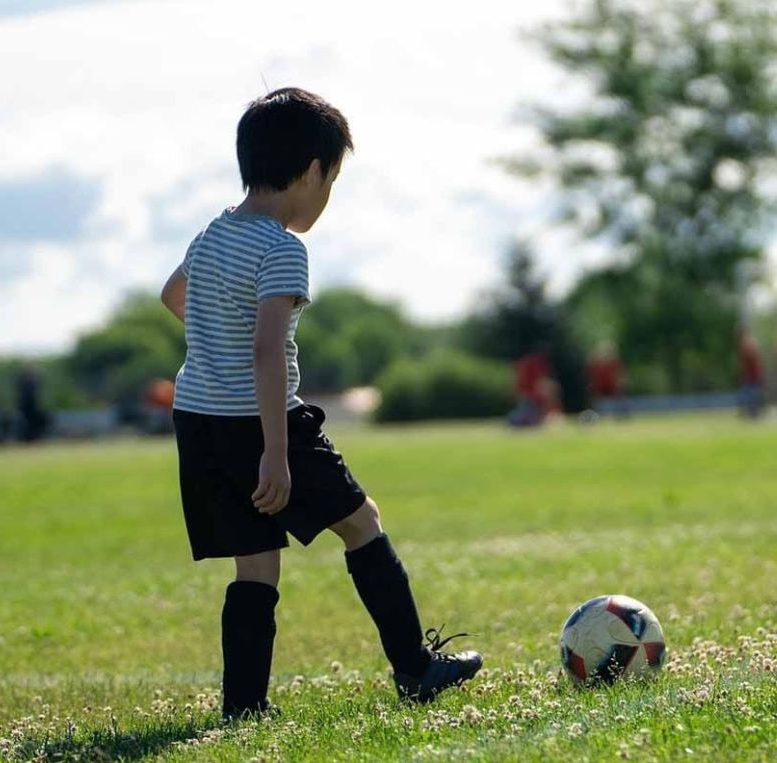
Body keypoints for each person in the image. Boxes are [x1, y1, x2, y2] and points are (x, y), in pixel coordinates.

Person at [159, 88, 481, 719]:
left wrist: (215, 345)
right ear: (311, 171)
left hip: (199, 422)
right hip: (261, 425)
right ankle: (416, 669)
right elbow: (267, 352)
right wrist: (276, 453)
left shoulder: (213, 234)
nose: (327, 194)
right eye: (331, 180)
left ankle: (245, 706)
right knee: (362, 523)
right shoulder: (282, 248)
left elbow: (174, 296)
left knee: (255, 563)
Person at [511, 346, 554, 427]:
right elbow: (539, 380)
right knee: (530, 413)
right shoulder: (536, 363)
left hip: (526, 392)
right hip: (530, 393)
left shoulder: (524, 361)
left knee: (526, 411)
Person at [587, 340, 627, 418]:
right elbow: (591, 376)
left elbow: (619, 375)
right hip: (600, 386)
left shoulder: (614, 362)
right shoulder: (595, 363)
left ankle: (622, 413)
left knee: (619, 398)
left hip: (612, 386)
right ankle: (594, 415)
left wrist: (620, 385)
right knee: (595, 400)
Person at [735, 328, 765, 419]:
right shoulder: (748, 344)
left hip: (752, 375)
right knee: (750, 393)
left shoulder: (748, 344)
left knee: (751, 393)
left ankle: (753, 412)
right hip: (750, 375)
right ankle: (751, 412)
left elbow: (753, 360)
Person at [16, 363, 50, 443]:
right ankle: (28, 438)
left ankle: (35, 437)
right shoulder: (22, 382)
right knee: (27, 424)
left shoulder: (34, 382)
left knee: (41, 421)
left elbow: (37, 392)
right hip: (25, 407)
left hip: (33, 407)